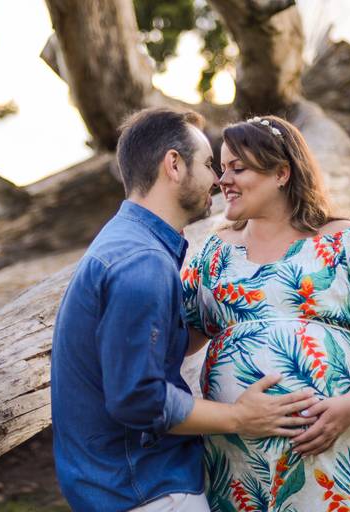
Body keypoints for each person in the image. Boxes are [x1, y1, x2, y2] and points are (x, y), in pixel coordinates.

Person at [51, 108, 319, 512]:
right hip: (147, 491)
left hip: (124, 485)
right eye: (210, 164)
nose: (217, 180)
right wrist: (238, 418)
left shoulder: (127, 242)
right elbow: (138, 399)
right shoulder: (142, 263)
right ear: (173, 165)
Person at [181, 115, 350, 511]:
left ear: (281, 172)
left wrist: (349, 406)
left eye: (238, 168)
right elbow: (183, 337)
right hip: (238, 456)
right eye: (222, 168)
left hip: (328, 441)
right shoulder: (214, 251)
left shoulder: (347, 242)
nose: (223, 180)